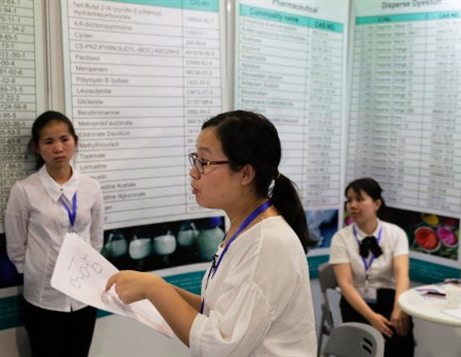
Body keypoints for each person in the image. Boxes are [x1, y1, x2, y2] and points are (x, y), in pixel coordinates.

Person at [105, 110, 316, 356]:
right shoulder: (244, 228)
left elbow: (220, 344)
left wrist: (154, 288)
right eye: (196, 159)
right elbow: (216, 311)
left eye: (204, 162)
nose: (193, 172)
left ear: (246, 174)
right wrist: (158, 288)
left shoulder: (268, 243)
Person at [5, 110, 104, 357]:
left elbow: (96, 237)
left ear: (75, 142)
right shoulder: (25, 190)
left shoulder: (91, 187)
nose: (58, 147)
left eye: (64, 139)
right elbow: (16, 245)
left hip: (84, 294)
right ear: (37, 148)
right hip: (42, 296)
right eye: (49, 142)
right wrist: (35, 271)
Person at [329, 177, 415, 356]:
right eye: (349, 200)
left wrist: (399, 308)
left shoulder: (396, 233)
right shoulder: (340, 238)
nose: (353, 205)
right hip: (356, 304)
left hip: (391, 301)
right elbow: (345, 284)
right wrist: (371, 317)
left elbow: (402, 274)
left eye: (359, 199)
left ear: (377, 204)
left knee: (398, 344)